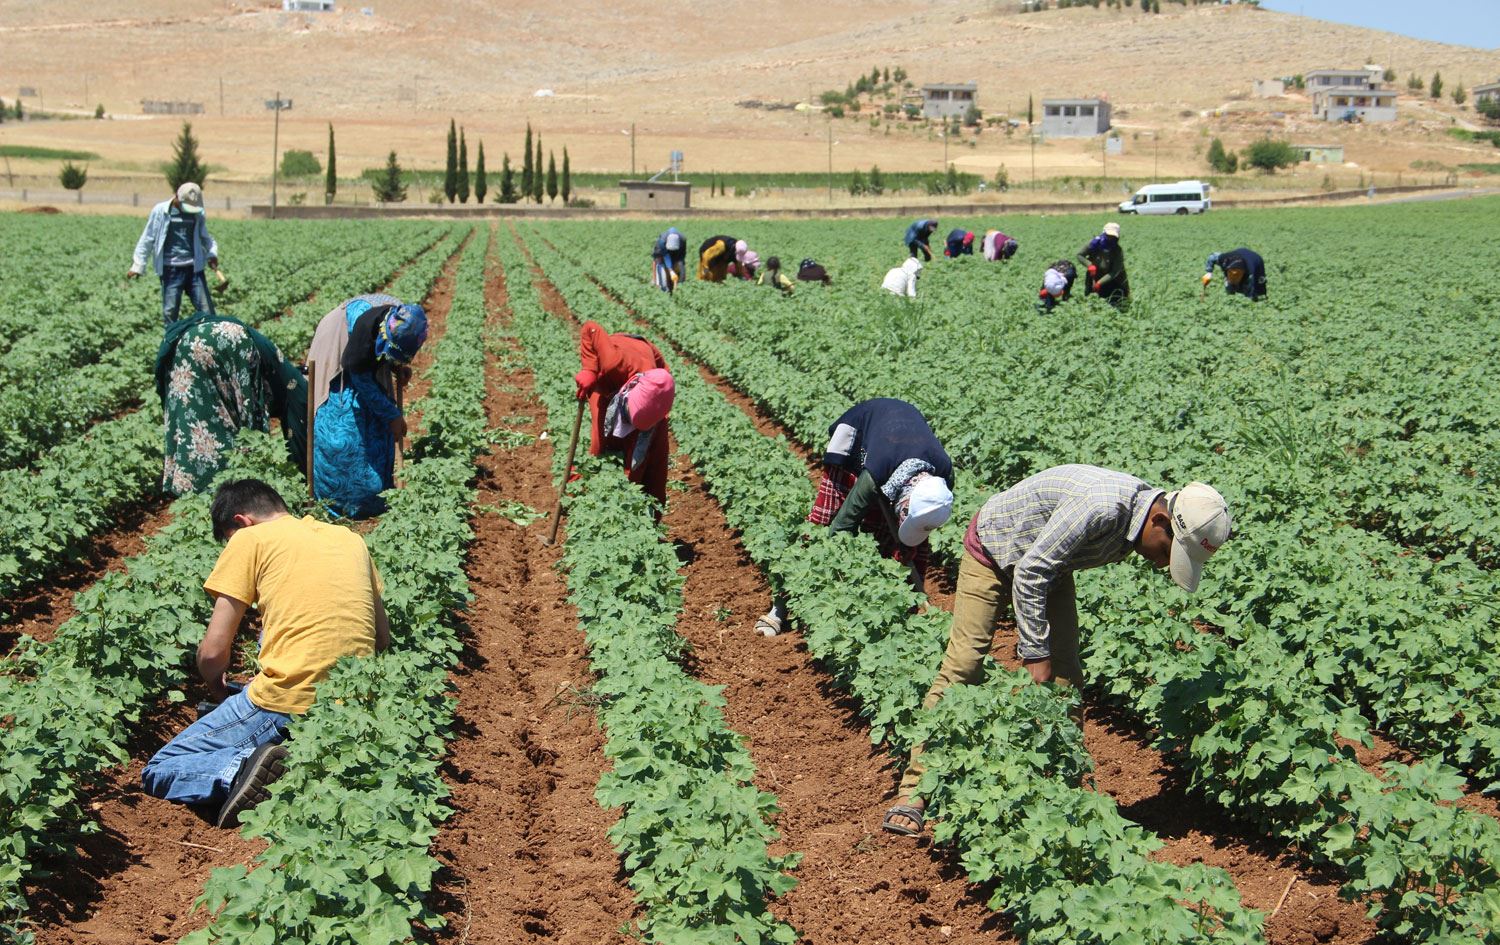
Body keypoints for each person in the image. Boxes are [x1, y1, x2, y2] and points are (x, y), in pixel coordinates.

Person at [882, 468, 1232, 837]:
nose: (1164, 563)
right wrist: (1035, 655)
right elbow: (1030, 572)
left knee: (1067, 674)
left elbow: (1044, 564)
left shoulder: (1138, 520)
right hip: (994, 549)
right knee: (965, 663)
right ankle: (914, 792)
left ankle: (1060, 789)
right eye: (1167, 551)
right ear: (1159, 520)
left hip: (1049, 564)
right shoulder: (1103, 508)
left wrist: (1049, 660)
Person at [141, 478, 391, 827]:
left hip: (287, 700)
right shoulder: (350, 539)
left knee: (160, 768)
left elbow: (213, 652)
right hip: (353, 701)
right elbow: (381, 639)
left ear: (241, 522)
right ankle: (297, 759)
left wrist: (216, 690)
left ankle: (245, 769)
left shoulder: (250, 539)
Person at [755, 398, 955, 637]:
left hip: (898, 444)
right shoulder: (876, 472)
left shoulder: (941, 483)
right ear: (902, 503)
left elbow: (916, 535)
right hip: (858, 440)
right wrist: (845, 579)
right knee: (822, 525)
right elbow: (841, 527)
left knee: (909, 547)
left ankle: (907, 613)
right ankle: (780, 608)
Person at [155, 312, 308, 496]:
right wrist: (302, 471)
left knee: (194, 413)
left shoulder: (280, 366)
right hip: (230, 341)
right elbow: (296, 421)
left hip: (186, 341)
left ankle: (193, 486)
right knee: (243, 423)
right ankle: (234, 487)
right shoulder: (298, 388)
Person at [305, 294, 428, 518]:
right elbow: (359, 371)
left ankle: (374, 500)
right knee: (343, 432)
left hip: (362, 355)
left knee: (376, 430)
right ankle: (339, 504)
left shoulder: (401, 322)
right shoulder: (363, 322)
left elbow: (388, 351)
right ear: (385, 332)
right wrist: (392, 415)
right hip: (338, 355)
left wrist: (397, 367)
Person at [575, 321, 676, 505]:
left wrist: (627, 489)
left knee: (654, 462)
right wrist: (589, 369)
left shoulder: (661, 394)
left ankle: (651, 524)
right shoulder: (614, 363)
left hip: (649, 367)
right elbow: (591, 328)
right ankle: (579, 497)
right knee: (599, 448)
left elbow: (638, 456)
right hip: (608, 383)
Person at [128, 182, 220, 328]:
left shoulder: (197, 213)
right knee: (170, 312)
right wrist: (138, 265)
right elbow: (148, 237)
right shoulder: (160, 211)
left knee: (207, 310)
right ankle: (172, 345)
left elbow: (205, 237)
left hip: (194, 268)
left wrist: (211, 254)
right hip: (170, 269)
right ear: (177, 197)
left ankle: (211, 342)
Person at [1078, 221, 1129, 308]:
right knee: (1091, 298)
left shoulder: (1117, 250)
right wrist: (1089, 265)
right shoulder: (1093, 244)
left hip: (1112, 279)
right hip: (1094, 273)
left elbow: (1114, 272)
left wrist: (1099, 283)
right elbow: (1079, 255)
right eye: (1108, 236)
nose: (1110, 239)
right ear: (1104, 233)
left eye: (1113, 237)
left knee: (1115, 301)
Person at [1203, 248, 1267, 301]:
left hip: (1255, 260)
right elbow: (1212, 257)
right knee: (1229, 286)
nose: (1234, 275)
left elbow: (1258, 284)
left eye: (1237, 275)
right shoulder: (1224, 259)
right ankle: (1230, 299)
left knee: (1254, 291)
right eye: (1231, 273)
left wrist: (1253, 297)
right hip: (1238, 256)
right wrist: (1209, 272)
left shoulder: (1251, 270)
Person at [652, 227, 687, 293]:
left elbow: (682, 255)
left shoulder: (683, 239)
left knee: (681, 266)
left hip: (678, 252)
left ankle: (679, 286)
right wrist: (670, 270)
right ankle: (659, 284)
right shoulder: (661, 242)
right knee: (659, 262)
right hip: (663, 252)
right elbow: (665, 256)